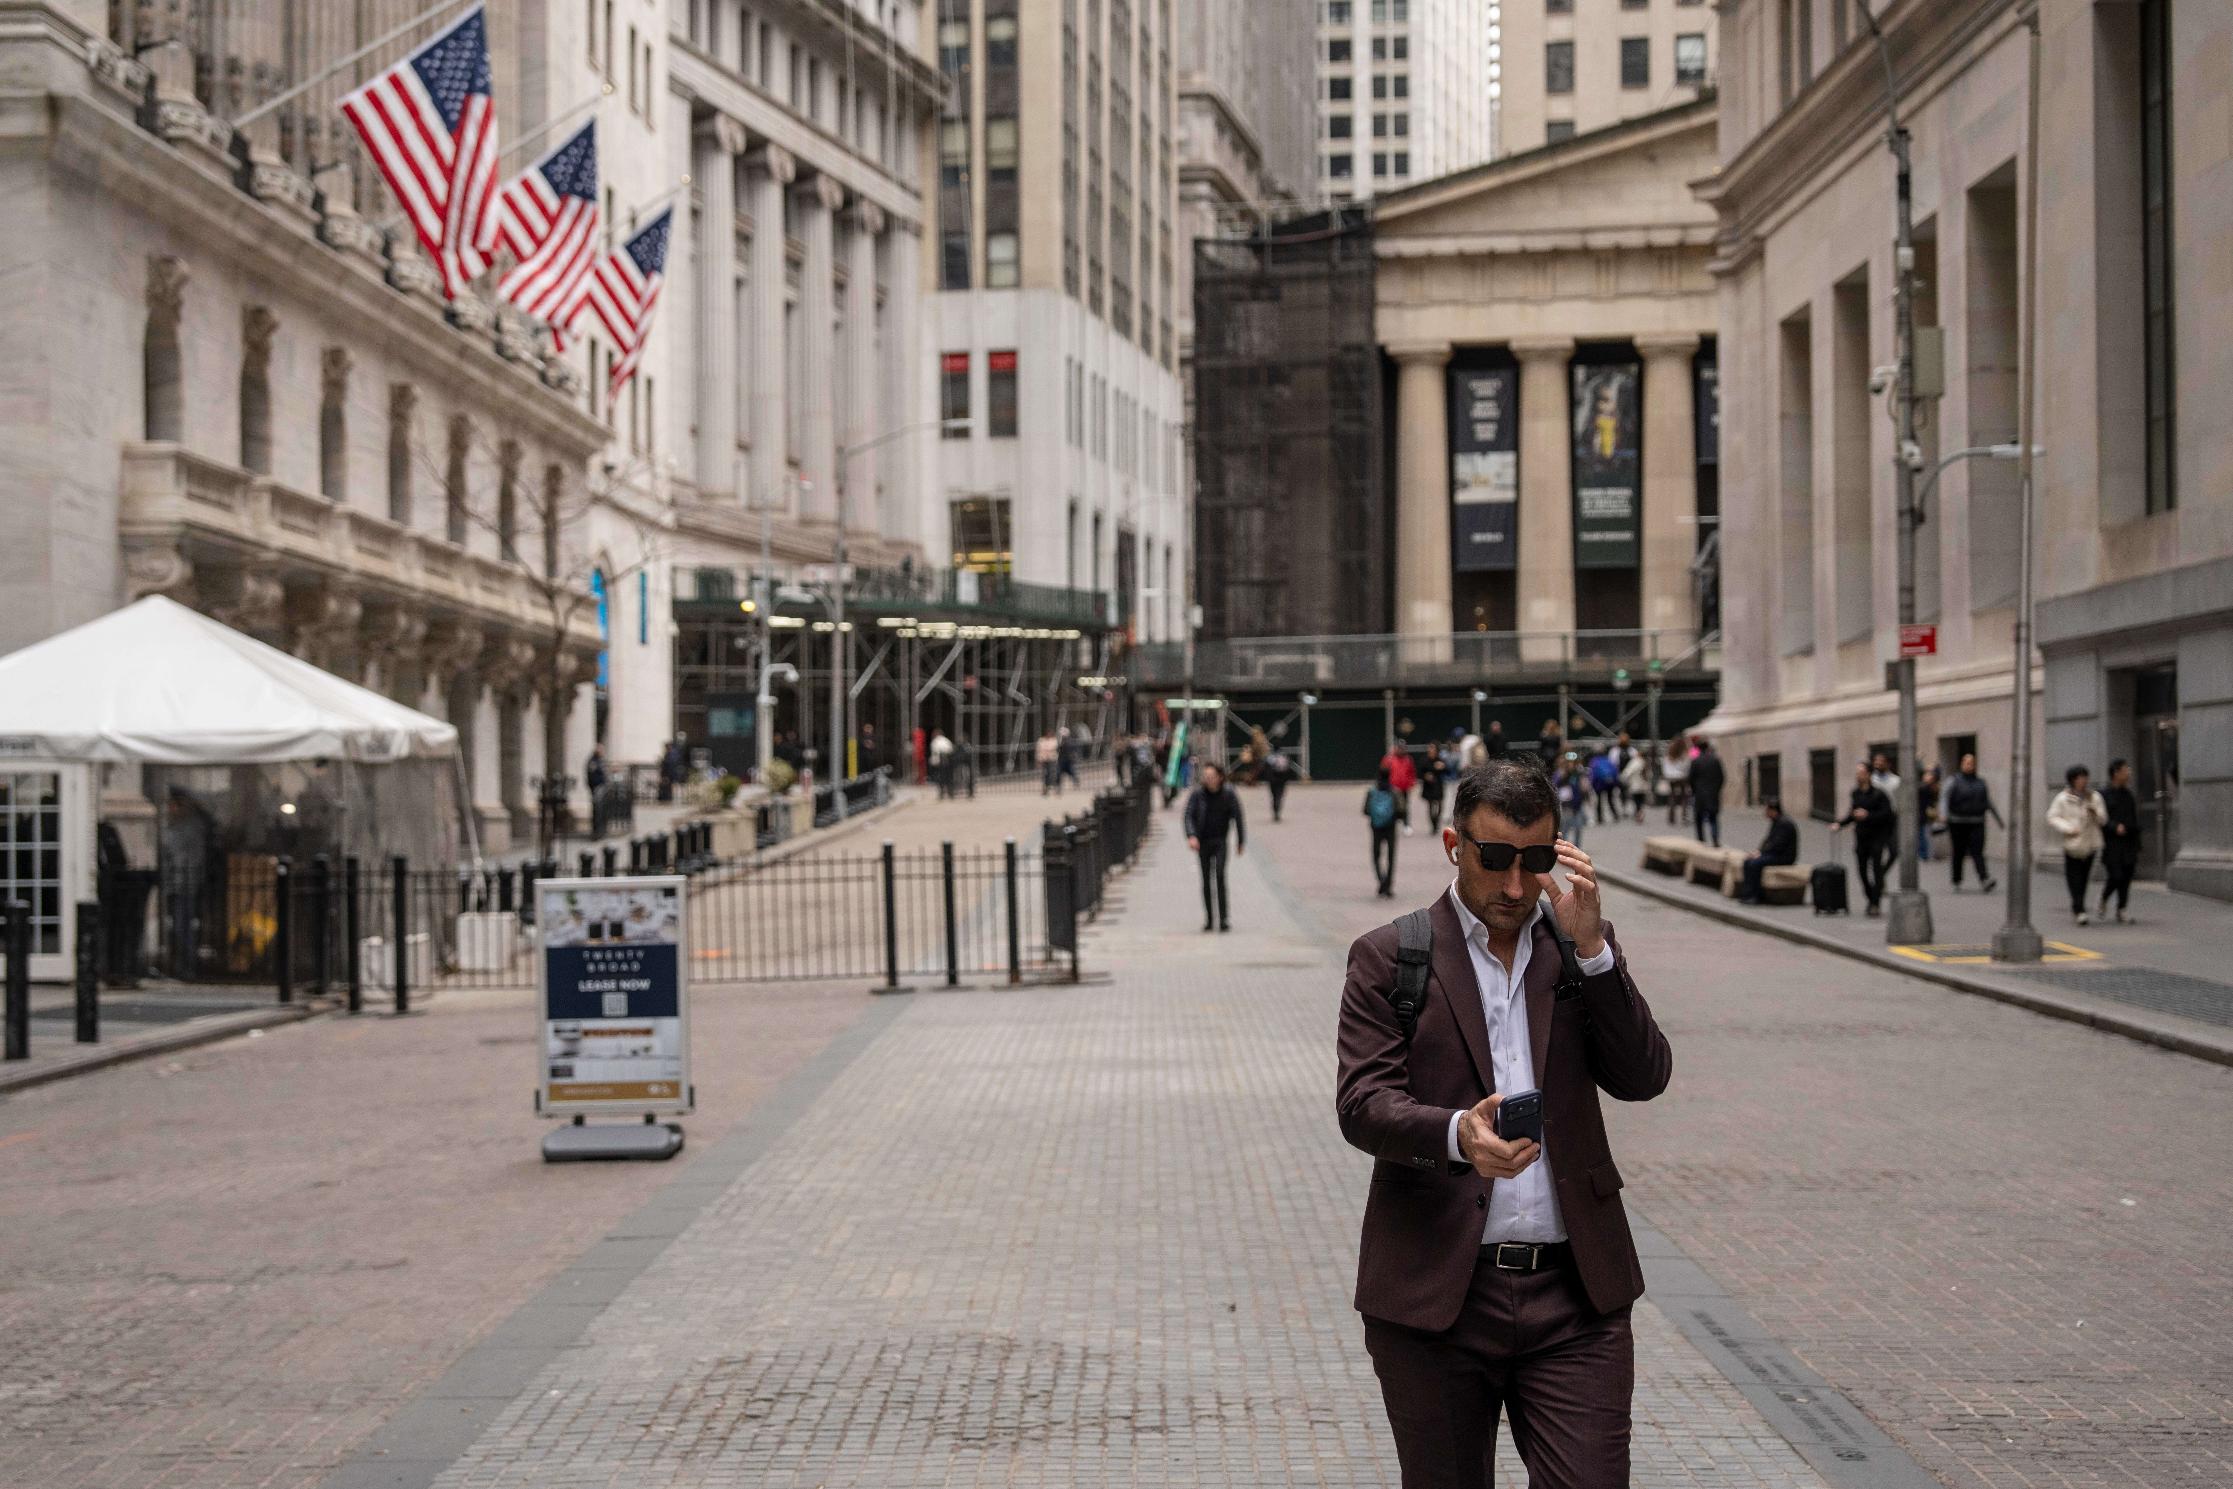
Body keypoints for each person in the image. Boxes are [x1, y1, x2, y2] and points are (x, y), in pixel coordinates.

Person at [1336, 758, 1672, 1489]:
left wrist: (1593, 953)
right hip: (1437, 1300)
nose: (1516, 886)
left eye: (1535, 861)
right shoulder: (1391, 957)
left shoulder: (1576, 947)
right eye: (1494, 860)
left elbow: (1644, 1075)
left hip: (1574, 1300)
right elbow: (1362, 1102)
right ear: (1455, 845)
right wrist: (1457, 1133)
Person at [1183, 762, 1245, 932]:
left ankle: (1224, 918)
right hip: (1203, 842)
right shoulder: (1198, 794)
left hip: (1220, 841)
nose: (1208, 780)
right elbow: (1188, 815)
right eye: (1206, 777)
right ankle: (1210, 919)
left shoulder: (1229, 794)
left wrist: (1241, 841)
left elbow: (1238, 817)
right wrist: (1192, 836)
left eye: (1211, 776)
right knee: (1206, 881)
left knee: (1219, 876)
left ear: (1219, 778)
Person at [1831, 761, 1897, 917]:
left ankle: (1875, 902)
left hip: (1877, 836)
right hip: (1861, 837)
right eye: (1857, 773)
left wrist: (1868, 815)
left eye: (1860, 773)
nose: (1858, 776)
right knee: (1861, 871)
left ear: (1868, 775)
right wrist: (1839, 824)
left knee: (1876, 869)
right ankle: (1870, 896)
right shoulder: (1856, 793)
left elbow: (1887, 815)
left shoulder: (1879, 794)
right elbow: (1852, 814)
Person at [2046, 765, 2108, 925]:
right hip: (2072, 842)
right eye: (2080, 778)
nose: (2083, 781)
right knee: (2074, 876)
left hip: (2090, 841)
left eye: (2085, 777)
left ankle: (2079, 905)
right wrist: (2068, 828)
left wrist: (2095, 812)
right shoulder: (2063, 798)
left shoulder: (2094, 797)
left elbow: (2103, 819)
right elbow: (2052, 817)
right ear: (2073, 780)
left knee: (2085, 876)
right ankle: (2078, 907)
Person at [1942, 753, 2001, 891]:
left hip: (1976, 821)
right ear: (1961, 764)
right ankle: (1957, 879)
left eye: (1972, 762)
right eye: (1967, 762)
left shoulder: (1980, 782)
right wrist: (1944, 814)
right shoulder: (1953, 780)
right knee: (1958, 852)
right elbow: (1944, 797)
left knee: (1978, 851)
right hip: (1957, 822)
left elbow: (1988, 801)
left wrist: (1998, 819)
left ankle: (1984, 878)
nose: (1969, 765)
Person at [2099, 759, 2142, 924]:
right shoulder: (2103, 795)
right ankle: (2104, 898)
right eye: (2125, 770)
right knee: (2116, 875)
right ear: (2116, 773)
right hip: (2112, 843)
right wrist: (2113, 827)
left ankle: (2121, 909)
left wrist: (2137, 841)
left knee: (2127, 877)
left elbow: (2133, 818)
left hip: (2129, 841)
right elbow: (2101, 818)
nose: (2128, 773)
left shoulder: (2128, 795)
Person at [1738, 798, 1800, 904]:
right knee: (1747, 862)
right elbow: (1768, 840)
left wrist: (1761, 853)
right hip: (1775, 853)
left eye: (1767, 810)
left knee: (1754, 864)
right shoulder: (1777, 821)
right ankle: (1747, 893)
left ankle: (1755, 895)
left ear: (1773, 811)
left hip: (1784, 857)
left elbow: (1778, 845)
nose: (1765, 813)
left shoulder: (1784, 824)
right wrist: (1758, 851)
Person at [1365, 767, 1401, 898]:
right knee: (1391, 856)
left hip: (1376, 827)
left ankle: (1381, 880)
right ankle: (1388, 884)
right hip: (1390, 827)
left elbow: (1366, 810)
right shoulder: (1394, 792)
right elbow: (1401, 810)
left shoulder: (1372, 791)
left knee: (1376, 855)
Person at [1688, 737, 1725, 847]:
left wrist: (1694, 790)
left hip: (1699, 794)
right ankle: (1715, 838)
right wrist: (1717, 789)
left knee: (1699, 818)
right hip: (1713, 793)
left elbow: (1691, 778)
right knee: (1713, 818)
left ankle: (1701, 840)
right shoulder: (1715, 760)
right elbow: (1721, 777)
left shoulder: (1696, 761)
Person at [1381, 744, 1419, 836]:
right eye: (1399, 748)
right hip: (1392, 788)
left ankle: (1406, 825)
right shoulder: (1389, 759)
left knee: (1404, 807)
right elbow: (1383, 771)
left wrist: (1412, 783)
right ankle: (1390, 825)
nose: (1401, 750)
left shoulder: (1408, 759)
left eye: (1403, 749)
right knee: (1391, 807)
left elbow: (1412, 772)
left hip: (1404, 788)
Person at [1553, 757, 1589, 846]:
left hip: (1578, 804)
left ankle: (1577, 847)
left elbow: (1584, 788)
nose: (1571, 765)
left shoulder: (1578, 774)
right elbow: (1554, 786)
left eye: (1573, 763)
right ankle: (1564, 847)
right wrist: (1562, 776)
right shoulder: (1560, 774)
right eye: (1569, 763)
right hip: (1566, 806)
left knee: (1578, 827)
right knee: (1565, 828)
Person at [1263, 747, 1299, 823]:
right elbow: (1288, 767)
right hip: (1282, 779)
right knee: (1279, 795)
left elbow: (1266, 768)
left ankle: (1275, 810)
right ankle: (1277, 808)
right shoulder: (1284, 757)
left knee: (1274, 795)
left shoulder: (1270, 758)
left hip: (1272, 779)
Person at [1419, 745, 1449, 833]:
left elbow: (1447, 770)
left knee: (1439, 806)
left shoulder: (1439, 760)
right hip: (1428, 787)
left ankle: (1437, 821)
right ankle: (1433, 825)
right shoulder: (1424, 760)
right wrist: (1425, 776)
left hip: (1438, 786)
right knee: (1431, 806)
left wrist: (1442, 767)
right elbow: (1419, 772)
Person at [1587, 746, 1620, 825]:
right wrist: (1615, 783)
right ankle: (1615, 815)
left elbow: (1592, 774)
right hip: (1609, 784)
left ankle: (1599, 818)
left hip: (1599, 784)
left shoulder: (1594, 761)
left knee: (1599, 801)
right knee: (1610, 799)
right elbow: (1615, 771)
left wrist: (1592, 785)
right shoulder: (1608, 760)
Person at [1662, 736, 1691, 824]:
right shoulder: (1684, 755)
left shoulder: (1669, 754)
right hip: (1682, 777)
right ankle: (1684, 816)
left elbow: (1665, 767)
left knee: (1672, 796)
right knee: (1684, 797)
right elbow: (1686, 767)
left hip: (1671, 777)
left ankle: (1671, 817)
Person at [1916, 765, 1942, 861]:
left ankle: (1924, 854)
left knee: (1923, 835)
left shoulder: (1926, 787)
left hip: (1924, 814)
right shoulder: (1932, 788)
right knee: (1925, 835)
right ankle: (1926, 853)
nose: (1926, 776)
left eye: (1928, 775)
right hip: (1926, 814)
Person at [1619, 743, 1650, 824]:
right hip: (1643, 785)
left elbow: (1627, 772)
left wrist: (1622, 779)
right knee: (1641, 800)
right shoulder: (1646, 762)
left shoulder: (1635, 761)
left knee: (1636, 800)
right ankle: (1640, 812)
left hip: (1635, 784)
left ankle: (1638, 813)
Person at [928, 728, 956, 798]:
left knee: (940, 778)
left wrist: (933, 763)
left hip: (940, 762)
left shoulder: (935, 742)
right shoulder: (946, 740)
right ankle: (950, 793)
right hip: (949, 761)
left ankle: (941, 793)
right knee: (949, 778)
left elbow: (935, 753)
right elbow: (951, 749)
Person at [1036, 728, 1061, 795]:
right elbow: (1039, 750)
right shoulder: (1041, 740)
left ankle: (1055, 787)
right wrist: (1038, 760)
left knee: (1053, 773)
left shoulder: (1054, 740)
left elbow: (1054, 748)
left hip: (1052, 759)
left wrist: (1047, 749)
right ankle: (1046, 788)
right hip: (1044, 759)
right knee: (1045, 774)